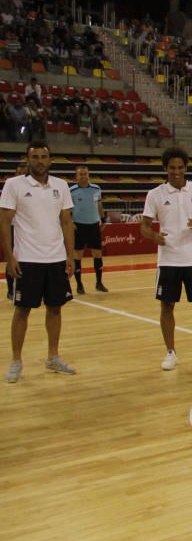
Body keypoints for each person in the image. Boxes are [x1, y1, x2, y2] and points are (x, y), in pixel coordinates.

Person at [140, 147, 192, 370]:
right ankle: (170, 352)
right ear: (165, 169)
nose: (176, 172)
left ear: (186, 168)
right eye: (172, 168)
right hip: (169, 259)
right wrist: (154, 236)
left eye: (180, 168)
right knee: (167, 305)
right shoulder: (155, 194)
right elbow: (144, 226)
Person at [0, 142, 76, 382]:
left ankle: (53, 356)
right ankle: (16, 361)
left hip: (55, 260)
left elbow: (66, 222)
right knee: (22, 311)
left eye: (44, 157)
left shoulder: (61, 185)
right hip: (27, 261)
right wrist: (10, 257)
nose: (40, 161)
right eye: (35, 157)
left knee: (55, 308)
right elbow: (4, 222)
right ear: (27, 159)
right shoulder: (14, 185)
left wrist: (70, 255)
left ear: (50, 160)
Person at [69, 165, 108, 294]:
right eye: (81, 174)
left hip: (93, 225)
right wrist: (70, 222)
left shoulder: (96, 189)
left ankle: (99, 283)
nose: (83, 176)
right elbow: (67, 209)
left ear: (88, 175)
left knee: (97, 254)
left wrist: (103, 220)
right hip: (78, 226)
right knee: (78, 255)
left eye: (85, 174)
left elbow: (99, 205)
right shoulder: (71, 191)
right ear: (76, 176)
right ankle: (79, 285)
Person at [5, 161, 28, 300]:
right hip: (13, 228)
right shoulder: (10, 188)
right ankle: (10, 290)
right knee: (12, 259)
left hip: (25, 230)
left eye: (24, 173)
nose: (21, 176)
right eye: (19, 173)